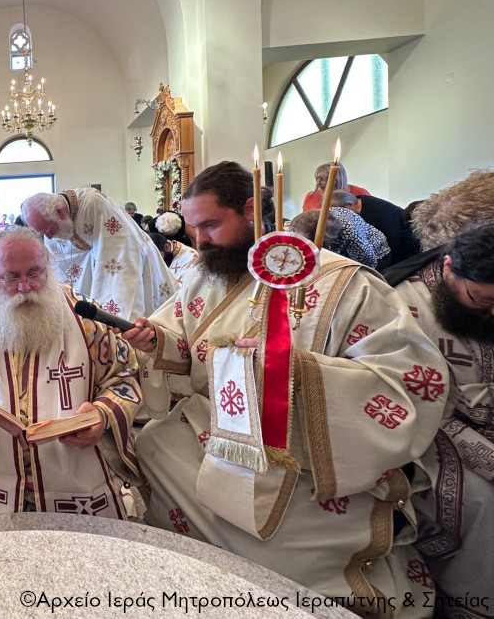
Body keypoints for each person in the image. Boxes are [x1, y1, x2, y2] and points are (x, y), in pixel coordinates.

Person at [122, 160, 446, 612]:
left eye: (211, 225)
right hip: (214, 429)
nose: (199, 241)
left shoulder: (342, 283)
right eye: (194, 228)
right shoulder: (205, 273)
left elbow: (411, 382)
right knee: (149, 446)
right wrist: (156, 340)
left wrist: (294, 373)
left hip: (309, 453)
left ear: (251, 209)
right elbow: (186, 345)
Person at [0, 226, 140, 519]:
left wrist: (101, 416)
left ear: (49, 267)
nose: (24, 287)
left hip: (73, 479)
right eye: (11, 277)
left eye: (35, 273)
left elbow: (123, 376)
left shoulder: (85, 315)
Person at [387, 219, 494, 614]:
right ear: (449, 268)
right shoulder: (406, 305)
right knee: (484, 503)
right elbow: (425, 408)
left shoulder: (478, 291)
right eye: (480, 301)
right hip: (429, 433)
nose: (491, 313)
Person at [21, 188, 176, 320]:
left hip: (136, 269)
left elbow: (120, 258)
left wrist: (108, 320)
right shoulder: (52, 225)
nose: (49, 238)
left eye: (49, 231)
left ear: (60, 212)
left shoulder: (95, 204)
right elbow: (61, 268)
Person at [301, 161, 370, 211]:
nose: (318, 183)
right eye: (317, 179)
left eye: (323, 179)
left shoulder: (361, 194)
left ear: (337, 179)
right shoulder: (310, 197)